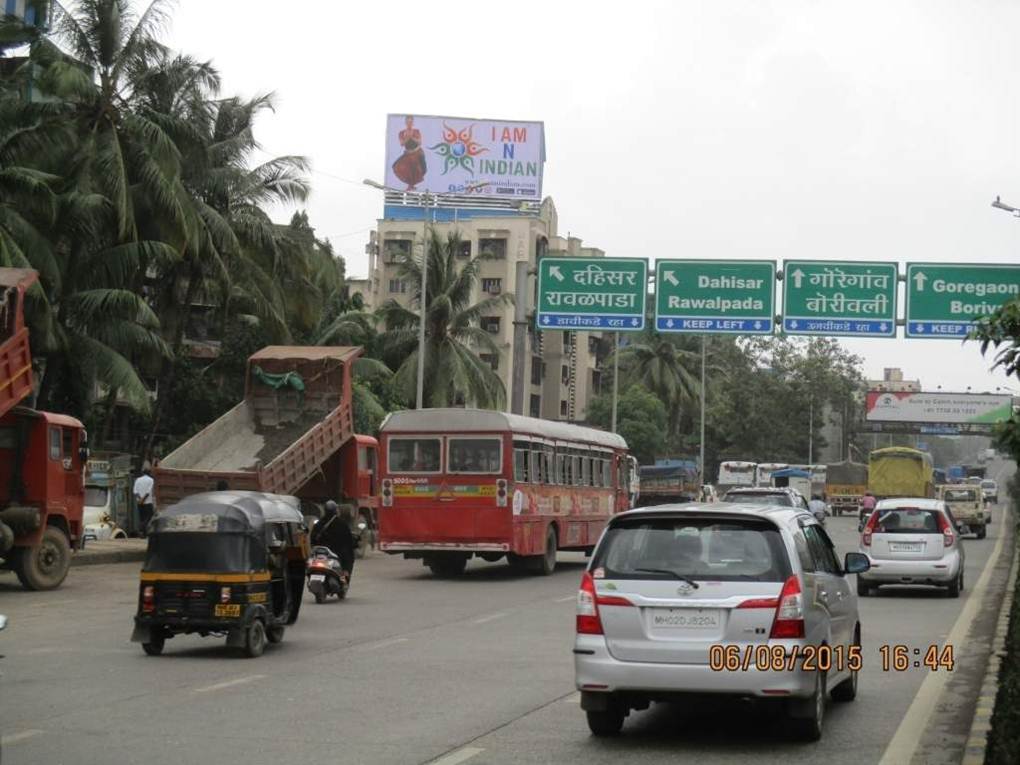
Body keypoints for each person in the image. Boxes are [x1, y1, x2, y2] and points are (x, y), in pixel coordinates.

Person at [310, 501, 356, 580]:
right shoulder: (342, 524)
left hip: (321, 552)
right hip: (336, 552)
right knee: (348, 556)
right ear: (336, 511)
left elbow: (313, 538)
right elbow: (349, 541)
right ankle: (344, 576)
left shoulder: (319, 523)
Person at [133, 468, 155, 537]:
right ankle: (141, 528)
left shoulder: (138, 480)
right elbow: (148, 492)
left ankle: (143, 534)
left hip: (139, 503)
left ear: (143, 473)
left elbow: (135, 491)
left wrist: (140, 499)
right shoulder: (151, 480)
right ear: (149, 473)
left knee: (142, 518)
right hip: (148, 502)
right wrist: (143, 499)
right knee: (149, 516)